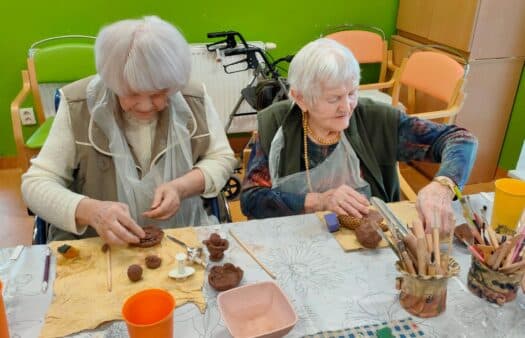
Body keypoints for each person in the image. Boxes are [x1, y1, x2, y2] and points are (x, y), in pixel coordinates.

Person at [22, 16, 237, 244]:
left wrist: (181, 188)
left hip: (181, 240)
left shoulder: (193, 98)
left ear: (174, 83)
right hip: (99, 247)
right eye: (131, 93)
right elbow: (35, 184)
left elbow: (221, 157)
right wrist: (91, 211)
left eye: (158, 93)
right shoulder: (78, 105)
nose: (145, 106)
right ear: (112, 82)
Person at [240, 38, 477, 232]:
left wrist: (444, 185)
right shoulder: (275, 124)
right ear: (301, 98)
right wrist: (320, 201)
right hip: (299, 238)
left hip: (368, 243)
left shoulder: (377, 120)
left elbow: (460, 139)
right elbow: (251, 200)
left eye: (352, 92)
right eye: (334, 98)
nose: (347, 107)